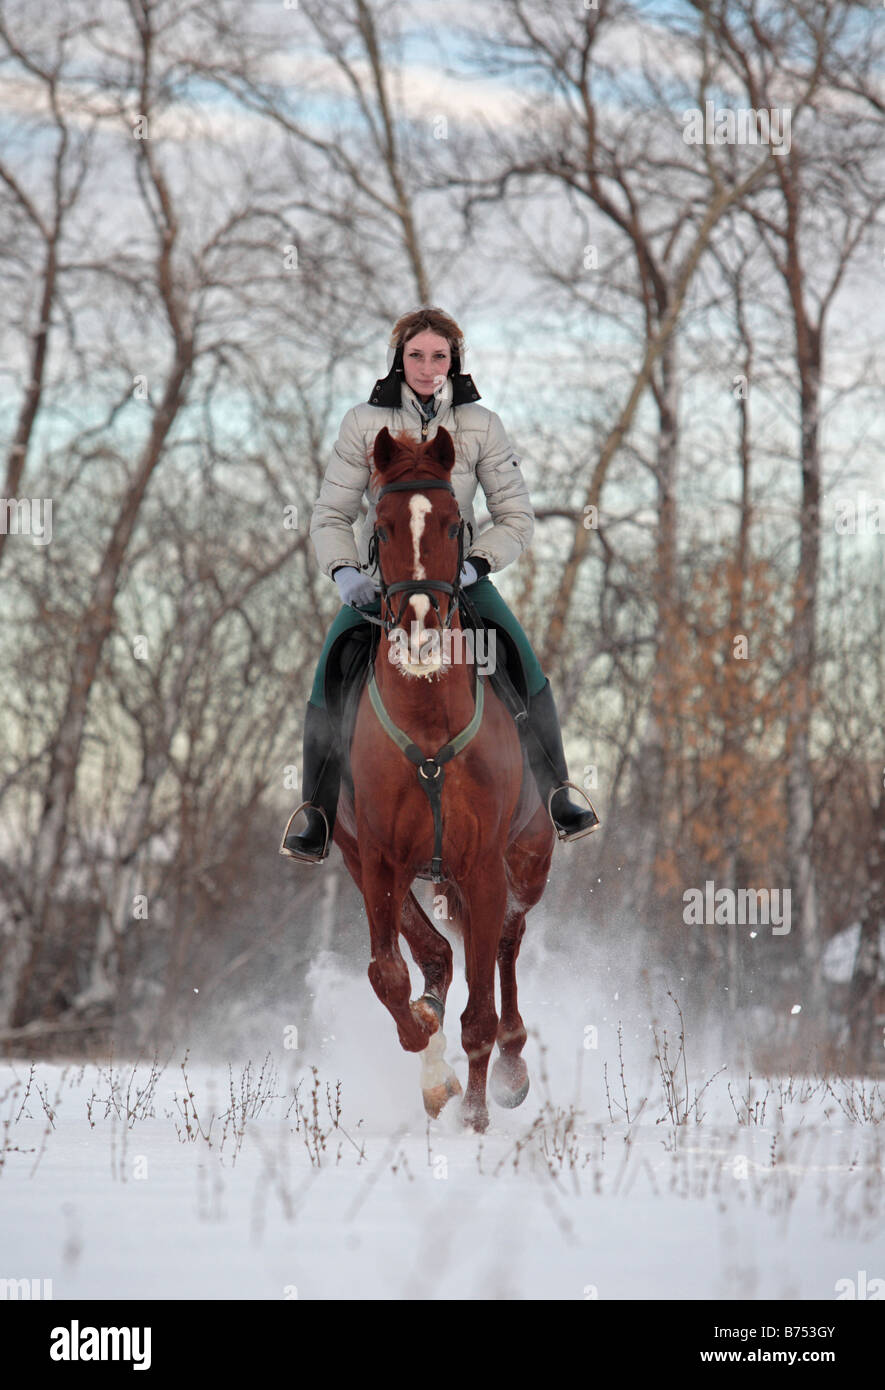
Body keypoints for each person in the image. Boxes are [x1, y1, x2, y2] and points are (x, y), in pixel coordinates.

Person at [280, 306, 599, 862]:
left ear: (455, 362)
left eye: (439, 356)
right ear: (398, 360)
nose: (428, 368)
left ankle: (559, 793)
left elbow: (515, 515)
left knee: (523, 663)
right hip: (383, 588)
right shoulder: (363, 424)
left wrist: (477, 564)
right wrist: (346, 571)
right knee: (327, 672)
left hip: (459, 583)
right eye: (416, 356)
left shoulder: (481, 426)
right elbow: (331, 514)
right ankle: (317, 814)